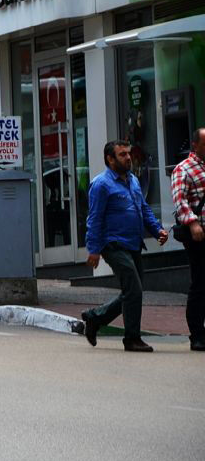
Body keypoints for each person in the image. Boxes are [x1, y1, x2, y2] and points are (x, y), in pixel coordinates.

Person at [81, 139, 167, 352]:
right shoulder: (101, 184)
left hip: (133, 243)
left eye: (128, 153)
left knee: (132, 291)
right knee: (134, 290)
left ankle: (95, 318)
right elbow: (94, 218)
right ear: (110, 159)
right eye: (122, 155)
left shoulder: (133, 181)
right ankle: (132, 339)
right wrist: (93, 249)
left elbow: (144, 208)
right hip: (113, 244)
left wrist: (157, 230)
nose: (128, 157)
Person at [168, 126, 205, 352]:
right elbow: (180, 201)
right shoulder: (184, 169)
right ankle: (197, 335)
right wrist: (192, 223)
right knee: (200, 283)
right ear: (195, 145)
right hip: (199, 235)